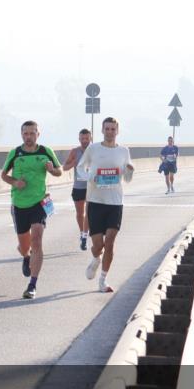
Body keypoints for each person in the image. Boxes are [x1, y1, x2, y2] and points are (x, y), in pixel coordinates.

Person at [0, 120, 62, 299]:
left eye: (32, 133)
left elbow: (59, 171)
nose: (29, 137)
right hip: (19, 204)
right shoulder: (15, 153)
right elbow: (3, 175)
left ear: (38, 134)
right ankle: (27, 258)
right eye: (25, 134)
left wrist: (52, 170)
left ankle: (32, 285)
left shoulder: (45, 151)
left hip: (39, 202)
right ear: (21, 135)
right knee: (24, 246)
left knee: (37, 240)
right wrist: (15, 182)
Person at [81, 117, 134, 293]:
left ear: (117, 131)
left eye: (113, 129)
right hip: (96, 201)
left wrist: (129, 171)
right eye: (107, 129)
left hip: (115, 202)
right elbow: (81, 168)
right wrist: (91, 177)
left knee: (110, 242)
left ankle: (103, 280)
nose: (110, 132)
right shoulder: (93, 148)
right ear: (102, 130)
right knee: (98, 245)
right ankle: (96, 259)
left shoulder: (124, 151)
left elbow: (126, 179)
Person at [60, 128, 92, 250]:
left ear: (91, 139)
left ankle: (85, 236)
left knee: (89, 213)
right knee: (80, 213)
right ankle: (82, 233)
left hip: (92, 187)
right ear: (79, 139)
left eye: (87, 138)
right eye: (82, 139)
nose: (85, 141)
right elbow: (64, 167)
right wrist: (73, 163)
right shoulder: (75, 152)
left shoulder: (95, 150)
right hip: (78, 187)